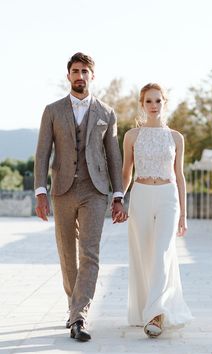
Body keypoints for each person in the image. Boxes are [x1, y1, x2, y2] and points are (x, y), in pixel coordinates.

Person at [34, 52, 127, 342]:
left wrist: (118, 195)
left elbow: (114, 156)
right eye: (75, 71)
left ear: (92, 76)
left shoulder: (107, 113)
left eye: (85, 71)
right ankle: (74, 307)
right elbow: (42, 153)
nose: (80, 75)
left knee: (90, 253)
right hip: (62, 190)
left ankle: (79, 316)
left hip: (95, 190)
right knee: (66, 254)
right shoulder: (52, 110)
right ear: (68, 76)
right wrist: (40, 192)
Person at [122, 83, 193, 338]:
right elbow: (126, 172)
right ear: (142, 104)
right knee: (144, 254)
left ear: (164, 103)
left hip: (168, 197)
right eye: (148, 101)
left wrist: (183, 215)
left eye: (157, 101)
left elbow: (180, 176)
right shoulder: (132, 136)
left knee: (162, 253)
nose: (153, 106)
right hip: (140, 195)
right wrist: (119, 198)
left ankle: (156, 314)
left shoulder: (175, 137)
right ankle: (146, 308)